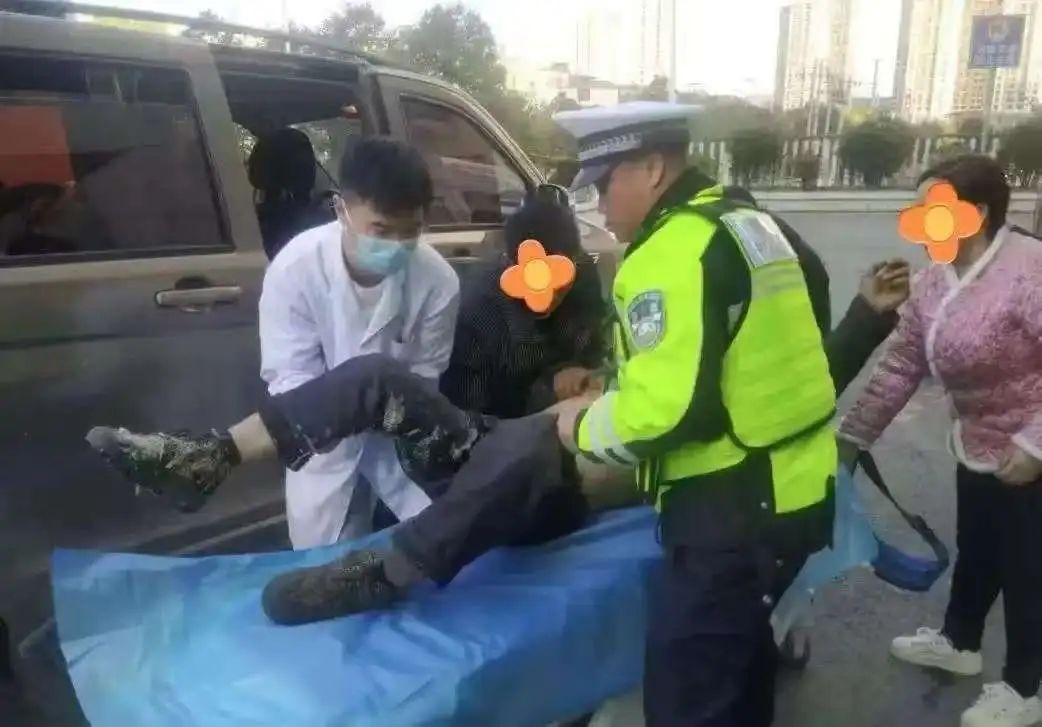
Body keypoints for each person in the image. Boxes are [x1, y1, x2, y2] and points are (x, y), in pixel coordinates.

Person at [546, 101, 837, 727]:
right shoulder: (746, 221)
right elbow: (771, 327)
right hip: (795, 485)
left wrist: (580, 427)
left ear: (652, 168)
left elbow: (668, 414)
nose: (599, 205)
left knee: (688, 700)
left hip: (728, 509)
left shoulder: (671, 250)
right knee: (742, 677)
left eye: (605, 185)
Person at [838, 155, 1042, 727]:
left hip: (1032, 445)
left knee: (1028, 569)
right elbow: (903, 365)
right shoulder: (934, 281)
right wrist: (852, 438)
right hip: (977, 438)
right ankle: (960, 642)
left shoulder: (1030, 270)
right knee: (978, 549)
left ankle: (1026, 687)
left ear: (977, 212)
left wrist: (1035, 446)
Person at [259, 137, 459, 550]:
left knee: (433, 551)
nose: (397, 245)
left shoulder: (437, 282)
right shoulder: (295, 270)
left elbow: (425, 380)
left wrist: (390, 414)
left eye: (411, 231)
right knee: (331, 563)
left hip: (402, 449)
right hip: (325, 451)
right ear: (341, 210)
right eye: (381, 230)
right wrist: (344, 410)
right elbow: (291, 378)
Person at [440, 187, 607, 417]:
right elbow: (469, 412)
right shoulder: (479, 310)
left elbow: (596, 348)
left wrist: (585, 374)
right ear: (512, 264)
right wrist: (547, 391)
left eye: (560, 278)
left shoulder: (583, 279)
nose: (552, 293)